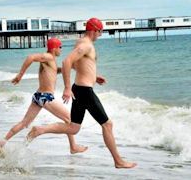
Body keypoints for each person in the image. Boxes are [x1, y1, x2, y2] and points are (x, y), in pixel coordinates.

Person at [27, 18, 136, 168]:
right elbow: (67, 62)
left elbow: (80, 64)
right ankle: (118, 161)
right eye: (100, 31)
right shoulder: (86, 45)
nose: (101, 34)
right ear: (94, 30)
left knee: (73, 128)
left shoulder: (80, 42)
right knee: (107, 124)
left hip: (80, 88)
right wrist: (66, 88)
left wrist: (94, 77)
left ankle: (40, 130)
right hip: (84, 91)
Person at [0, 38, 87, 154]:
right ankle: (72, 146)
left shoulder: (51, 61)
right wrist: (20, 75)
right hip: (45, 96)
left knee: (24, 123)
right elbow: (31, 57)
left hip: (38, 96)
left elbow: (54, 71)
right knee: (70, 120)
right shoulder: (48, 57)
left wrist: (68, 68)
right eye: (60, 47)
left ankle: (4, 141)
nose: (61, 49)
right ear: (54, 48)